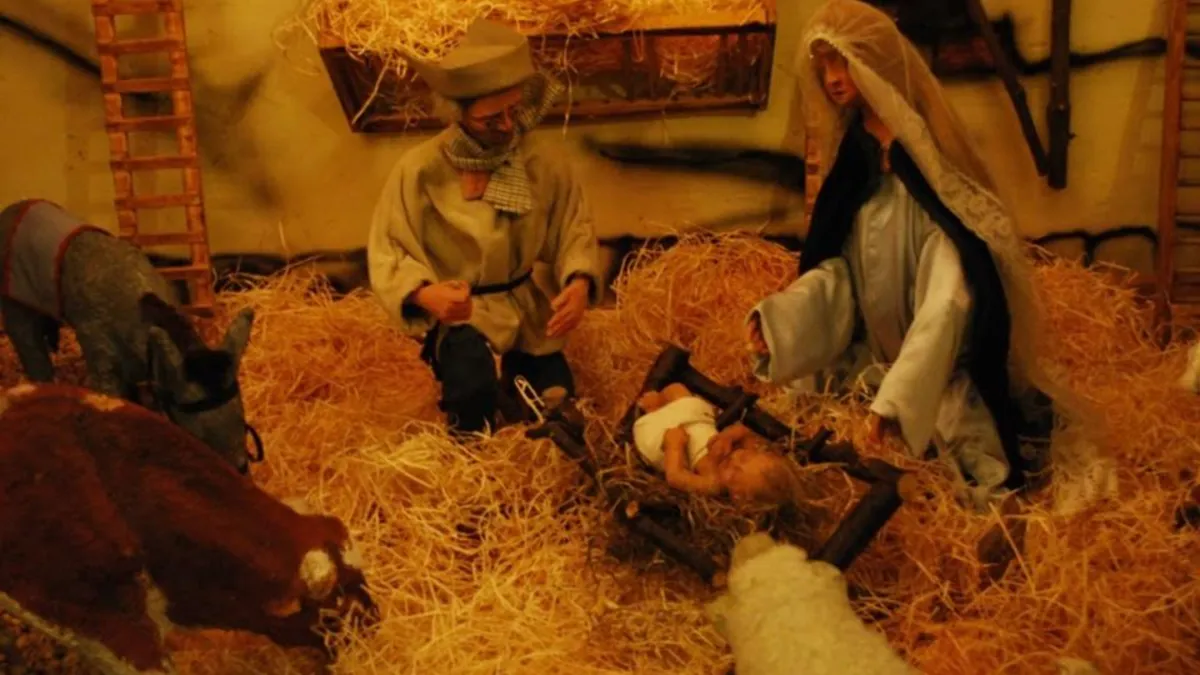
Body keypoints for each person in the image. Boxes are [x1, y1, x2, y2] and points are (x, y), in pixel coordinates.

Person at [745, 0, 1089, 508]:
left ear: (873, 62)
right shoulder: (856, 159)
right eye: (824, 67)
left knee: (963, 465)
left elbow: (947, 300)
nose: (833, 79)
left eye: (843, 63)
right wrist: (780, 323)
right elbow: (839, 276)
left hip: (936, 383)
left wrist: (899, 399)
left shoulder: (927, 166)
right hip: (870, 367)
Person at [367, 19, 604, 435]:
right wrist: (425, 294)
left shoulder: (540, 161)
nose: (508, 127)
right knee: (471, 396)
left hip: (524, 307)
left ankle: (519, 385)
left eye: (515, 111)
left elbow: (573, 225)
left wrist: (579, 280)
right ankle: (473, 420)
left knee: (555, 399)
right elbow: (390, 247)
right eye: (491, 120)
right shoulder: (421, 170)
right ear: (457, 115)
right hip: (465, 313)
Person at [632, 382, 808, 505]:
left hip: (667, 438)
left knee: (653, 432)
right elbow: (744, 430)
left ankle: (653, 411)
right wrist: (727, 437)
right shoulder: (743, 450)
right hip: (698, 421)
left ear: (739, 497)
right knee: (676, 389)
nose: (733, 460)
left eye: (735, 473)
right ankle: (663, 405)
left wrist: (674, 446)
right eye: (744, 457)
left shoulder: (713, 483)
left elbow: (675, 477)